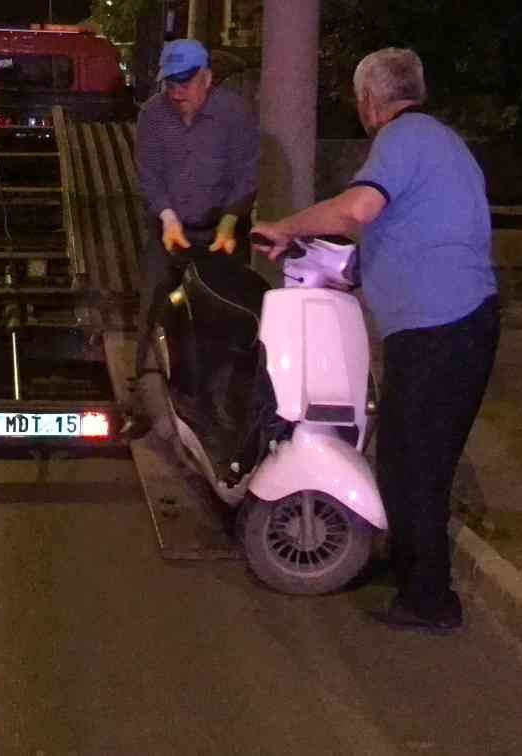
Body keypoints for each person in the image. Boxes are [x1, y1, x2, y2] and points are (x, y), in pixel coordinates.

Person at [253, 48, 499, 633]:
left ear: (369, 99)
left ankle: (431, 602)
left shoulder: (403, 139)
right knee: (412, 458)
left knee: (413, 464)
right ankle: (415, 575)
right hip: (453, 325)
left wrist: (287, 226)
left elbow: (358, 209)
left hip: (442, 329)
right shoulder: (439, 143)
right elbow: (400, 234)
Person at [127, 39, 260, 436]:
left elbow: (248, 170)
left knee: (228, 316)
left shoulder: (235, 114)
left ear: (207, 78)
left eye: (186, 82)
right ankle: (141, 406)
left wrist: (230, 220)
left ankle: (225, 407)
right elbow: (148, 173)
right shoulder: (153, 115)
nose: (177, 92)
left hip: (222, 230)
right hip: (169, 227)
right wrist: (167, 217)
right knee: (153, 304)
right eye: (170, 83)